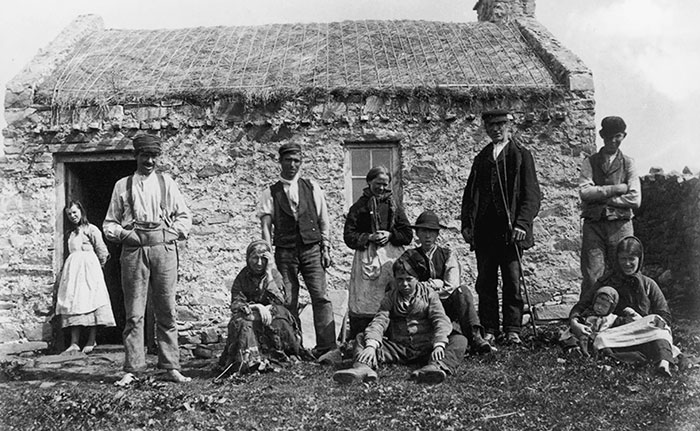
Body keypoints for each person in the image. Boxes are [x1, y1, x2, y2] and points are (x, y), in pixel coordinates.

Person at [104, 134, 192, 385]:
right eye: (145, 156)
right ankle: (133, 368)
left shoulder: (167, 183)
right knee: (134, 313)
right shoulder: (123, 185)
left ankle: (171, 366)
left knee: (166, 310)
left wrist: (171, 233)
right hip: (134, 251)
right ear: (136, 156)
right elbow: (109, 223)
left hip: (163, 250)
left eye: (154, 156)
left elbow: (184, 217)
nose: (150, 160)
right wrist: (124, 235)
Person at [460, 109, 541, 346]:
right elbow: (469, 196)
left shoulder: (521, 155)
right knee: (485, 282)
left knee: (512, 281)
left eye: (500, 125)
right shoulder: (481, 158)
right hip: (485, 231)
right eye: (491, 126)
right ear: (485, 129)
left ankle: (513, 328)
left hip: (511, 232)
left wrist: (522, 224)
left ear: (509, 127)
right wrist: (467, 224)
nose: (496, 129)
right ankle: (490, 328)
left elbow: (532, 195)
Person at [332, 256, 468, 384]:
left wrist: (439, 344)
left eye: (409, 279)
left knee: (460, 340)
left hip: (427, 347)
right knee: (362, 337)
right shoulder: (390, 297)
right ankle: (362, 367)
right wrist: (371, 346)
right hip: (399, 348)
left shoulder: (429, 295)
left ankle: (435, 367)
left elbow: (440, 319)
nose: (405, 284)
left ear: (417, 278)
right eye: (400, 279)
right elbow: (380, 321)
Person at [258, 141, 336, 356]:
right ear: (280, 162)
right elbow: (265, 228)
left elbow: (324, 219)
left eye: (296, 161)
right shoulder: (270, 192)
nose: (292, 165)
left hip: (312, 249)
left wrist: (326, 248)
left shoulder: (311, 186)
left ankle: (328, 348)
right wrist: (270, 259)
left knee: (320, 297)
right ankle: (293, 348)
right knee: (288, 300)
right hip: (285, 252)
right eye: (288, 160)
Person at [569, 236, 675, 377]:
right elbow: (581, 306)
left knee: (661, 333)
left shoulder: (648, 284)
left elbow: (664, 315)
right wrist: (575, 323)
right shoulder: (606, 282)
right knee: (600, 340)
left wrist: (647, 321)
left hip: (642, 331)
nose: (627, 263)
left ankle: (663, 364)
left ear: (640, 259)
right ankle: (638, 357)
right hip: (616, 333)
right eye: (622, 259)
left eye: (632, 259)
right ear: (616, 259)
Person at [401, 210, 492, 354]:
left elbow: (451, 286)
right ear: (417, 233)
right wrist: (435, 284)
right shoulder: (409, 257)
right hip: (422, 306)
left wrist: (429, 286)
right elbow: (409, 286)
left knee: (462, 291)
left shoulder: (447, 254)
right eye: (423, 231)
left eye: (432, 231)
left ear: (437, 234)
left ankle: (475, 337)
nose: (427, 236)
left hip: (445, 305)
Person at [343, 166, 413, 339]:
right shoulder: (359, 207)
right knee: (365, 298)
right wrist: (369, 237)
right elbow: (348, 236)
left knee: (391, 293)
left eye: (384, 184)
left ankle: (393, 336)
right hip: (366, 257)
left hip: (390, 256)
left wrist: (390, 234)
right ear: (369, 182)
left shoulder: (394, 205)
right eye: (377, 184)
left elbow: (407, 234)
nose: (381, 188)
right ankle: (362, 338)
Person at [217, 240, 304, 375]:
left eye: (263, 259)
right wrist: (256, 307)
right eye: (254, 258)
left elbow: (282, 300)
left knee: (281, 316)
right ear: (248, 258)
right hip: (251, 314)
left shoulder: (274, 274)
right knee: (242, 321)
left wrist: (269, 274)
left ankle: (280, 356)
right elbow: (236, 303)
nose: (258, 263)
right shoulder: (242, 277)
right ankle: (249, 361)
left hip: (272, 314)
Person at [579, 116, 641, 298]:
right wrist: (616, 189)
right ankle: (590, 315)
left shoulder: (628, 163)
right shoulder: (590, 162)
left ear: (624, 136)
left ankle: (627, 313)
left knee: (625, 269)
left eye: (618, 136)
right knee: (592, 273)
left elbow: (635, 199)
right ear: (601, 135)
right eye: (609, 136)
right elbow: (585, 192)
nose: (613, 141)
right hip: (594, 224)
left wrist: (607, 200)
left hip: (620, 225)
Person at [56, 200, 116, 354]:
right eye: (69, 214)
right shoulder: (71, 233)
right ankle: (74, 343)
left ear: (81, 212)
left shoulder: (91, 229)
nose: (72, 216)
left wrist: (97, 268)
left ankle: (91, 340)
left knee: (91, 300)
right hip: (73, 271)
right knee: (74, 301)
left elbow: (102, 250)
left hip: (89, 269)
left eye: (75, 212)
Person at [560, 285, 641, 357]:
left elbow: (629, 323)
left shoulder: (613, 318)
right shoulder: (588, 314)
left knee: (606, 348)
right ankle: (577, 351)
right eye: (597, 303)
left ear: (611, 308)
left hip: (601, 341)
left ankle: (608, 357)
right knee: (575, 338)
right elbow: (579, 322)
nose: (599, 307)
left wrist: (633, 314)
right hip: (587, 338)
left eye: (604, 306)